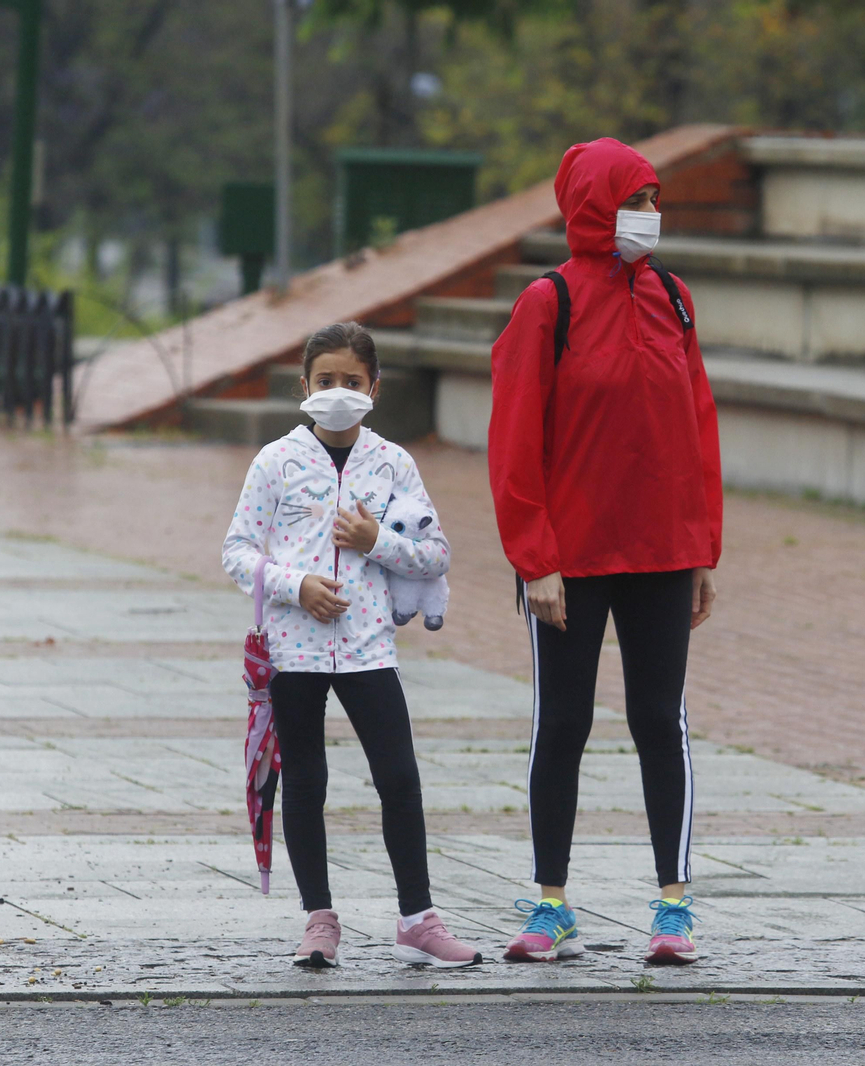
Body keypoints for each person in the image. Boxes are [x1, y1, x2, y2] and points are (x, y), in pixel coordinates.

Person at [487, 138, 723, 965]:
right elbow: (514, 440)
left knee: (662, 722)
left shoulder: (675, 299)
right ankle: (551, 903)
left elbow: (697, 428)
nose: (654, 216)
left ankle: (674, 906)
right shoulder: (546, 304)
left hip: (662, 551)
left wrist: (703, 550)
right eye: (640, 200)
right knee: (564, 723)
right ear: (596, 204)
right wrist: (534, 556)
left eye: (656, 201)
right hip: (570, 562)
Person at [222, 322, 482, 970]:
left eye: (353, 382)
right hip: (293, 651)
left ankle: (418, 918)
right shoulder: (276, 461)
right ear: (304, 386)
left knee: (399, 777)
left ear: (375, 387)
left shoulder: (392, 463)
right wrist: (295, 585)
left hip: (369, 648)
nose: (340, 392)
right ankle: (319, 920)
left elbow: (435, 553)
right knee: (304, 780)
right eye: (327, 381)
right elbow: (237, 552)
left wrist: (376, 543)